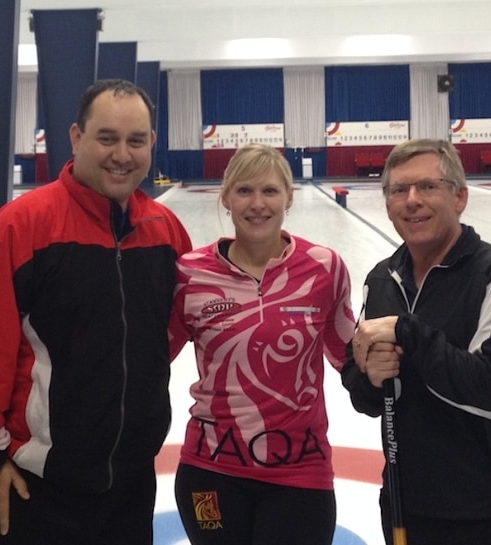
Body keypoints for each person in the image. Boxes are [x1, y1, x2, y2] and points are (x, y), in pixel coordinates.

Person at [0, 78, 192, 545]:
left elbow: (164, 339)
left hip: (127, 484)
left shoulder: (164, 231)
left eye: (135, 141)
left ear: (152, 143)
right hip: (27, 486)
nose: (121, 154)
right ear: (76, 138)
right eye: (106, 138)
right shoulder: (22, 228)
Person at [167, 143, 356, 545]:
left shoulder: (323, 267)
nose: (257, 204)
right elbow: (148, 358)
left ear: (289, 196)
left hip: (301, 472)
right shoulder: (190, 273)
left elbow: (347, 352)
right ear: (225, 197)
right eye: (244, 191)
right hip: (210, 471)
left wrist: (385, 354)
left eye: (270, 191)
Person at [342, 139, 491, 544]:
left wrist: (409, 334)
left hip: (482, 512)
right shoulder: (382, 277)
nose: (412, 201)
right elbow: (360, 383)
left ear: (459, 196)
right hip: (403, 502)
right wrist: (369, 378)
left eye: (428, 186)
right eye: (398, 190)